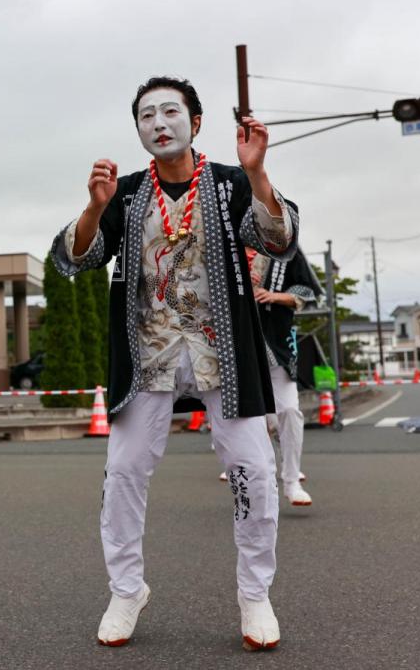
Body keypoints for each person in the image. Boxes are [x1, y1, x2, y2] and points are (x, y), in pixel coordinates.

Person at [50, 76, 299, 651]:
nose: (159, 123)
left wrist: (259, 174)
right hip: (148, 353)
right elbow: (77, 256)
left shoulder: (231, 182)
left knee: (254, 471)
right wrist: (95, 207)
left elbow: (277, 239)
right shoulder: (127, 193)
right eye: (146, 116)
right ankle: (126, 589)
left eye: (170, 112)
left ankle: (254, 593)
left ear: (196, 122)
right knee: (123, 473)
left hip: (223, 354)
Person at [247, 248, 322, 506]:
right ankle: (250, 477)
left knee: (289, 411)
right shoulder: (221, 240)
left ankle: (292, 480)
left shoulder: (284, 247)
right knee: (251, 419)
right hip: (237, 346)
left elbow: (307, 291)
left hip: (277, 343)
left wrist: (275, 296)